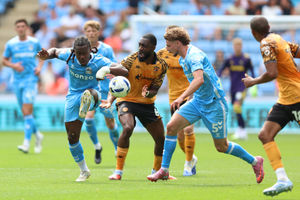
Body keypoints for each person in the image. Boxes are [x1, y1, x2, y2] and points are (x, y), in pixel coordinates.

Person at [147, 27, 264, 184]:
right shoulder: (182, 58)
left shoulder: (193, 56)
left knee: (222, 146)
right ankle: (164, 170)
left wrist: (181, 97)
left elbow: (199, 79)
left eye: (168, 45)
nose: (166, 49)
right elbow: (198, 84)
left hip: (215, 104)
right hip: (197, 102)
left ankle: (255, 161)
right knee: (171, 127)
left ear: (177, 43)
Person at [37, 36, 125, 182]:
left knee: (90, 94)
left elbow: (123, 69)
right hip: (73, 96)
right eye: (79, 54)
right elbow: (54, 51)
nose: (82, 57)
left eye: (85, 53)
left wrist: (107, 69)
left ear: (90, 50)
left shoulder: (98, 60)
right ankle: (84, 170)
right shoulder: (69, 55)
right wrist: (47, 56)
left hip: (93, 93)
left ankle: (88, 104)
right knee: (72, 137)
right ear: (74, 52)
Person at [97, 34, 168, 180]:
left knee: (161, 139)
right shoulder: (131, 59)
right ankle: (118, 172)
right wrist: (110, 100)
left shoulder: (161, 65)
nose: (141, 48)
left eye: (144, 46)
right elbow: (118, 82)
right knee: (128, 127)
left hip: (147, 104)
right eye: (140, 45)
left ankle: (157, 172)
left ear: (153, 47)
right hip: (126, 100)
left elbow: (155, 88)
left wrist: (148, 93)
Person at [243, 16, 300, 196]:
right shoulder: (279, 39)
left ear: (253, 33)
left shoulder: (266, 43)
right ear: (269, 26)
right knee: (265, 134)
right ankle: (282, 179)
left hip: (297, 98)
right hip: (285, 99)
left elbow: (272, 73)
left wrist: (253, 81)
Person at [157, 25, 197, 176]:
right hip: (173, 97)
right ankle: (191, 158)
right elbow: (153, 68)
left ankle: (187, 164)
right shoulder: (162, 53)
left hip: (189, 94)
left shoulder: (189, 53)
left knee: (188, 129)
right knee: (179, 135)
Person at [2, 19, 44, 154]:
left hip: (31, 80)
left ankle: (26, 143)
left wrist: (39, 67)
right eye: (18, 26)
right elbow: (4, 60)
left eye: (22, 26)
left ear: (26, 28)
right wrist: (13, 65)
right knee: (26, 113)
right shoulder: (11, 44)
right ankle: (37, 134)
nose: (20, 28)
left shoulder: (34, 42)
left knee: (26, 111)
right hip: (17, 81)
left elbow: (43, 55)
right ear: (15, 29)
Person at [83, 20, 120, 164]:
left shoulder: (106, 49)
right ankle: (97, 146)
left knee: (110, 123)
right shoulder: (81, 49)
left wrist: (113, 73)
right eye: (88, 31)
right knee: (88, 118)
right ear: (85, 33)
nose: (91, 33)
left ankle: (118, 148)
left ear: (98, 32)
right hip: (90, 90)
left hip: (105, 91)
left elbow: (114, 65)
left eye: (94, 31)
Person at [218, 38, 255, 140]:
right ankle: (240, 129)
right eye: (235, 46)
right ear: (233, 47)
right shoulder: (230, 59)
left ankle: (242, 130)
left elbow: (252, 71)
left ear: (241, 47)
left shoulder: (246, 59)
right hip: (233, 87)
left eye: (239, 46)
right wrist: (218, 78)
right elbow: (221, 70)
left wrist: (254, 83)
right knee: (235, 108)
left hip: (243, 87)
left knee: (236, 106)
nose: (237, 47)